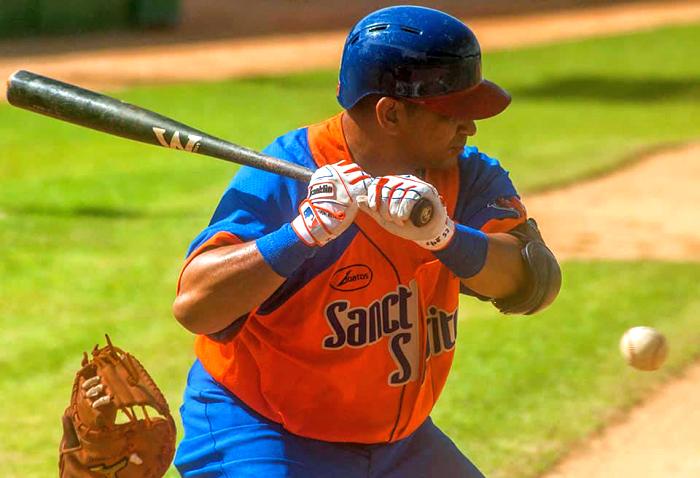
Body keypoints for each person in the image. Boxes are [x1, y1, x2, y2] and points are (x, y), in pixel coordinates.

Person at [171, 5, 561, 477]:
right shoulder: (286, 173)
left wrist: (443, 235)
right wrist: (299, 236)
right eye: (453, 113)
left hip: (402, 444)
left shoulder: (466, 175)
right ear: (390, 112)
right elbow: (196, 305)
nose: (470, 126)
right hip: (264, 430)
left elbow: (534, 282)